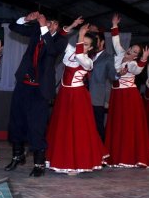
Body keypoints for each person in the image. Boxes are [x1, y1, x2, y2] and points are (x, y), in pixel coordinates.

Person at [5, 12, 70, 177]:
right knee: (16, 121)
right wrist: (26, 19)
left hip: (40, 90)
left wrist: (43, 28)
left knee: (37, 126)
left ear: (57, 26)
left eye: (53, 23)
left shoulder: (60, 40)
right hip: (23, 85)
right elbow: (13, 27)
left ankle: (39, 164)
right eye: (48, 21)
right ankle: (17, 156)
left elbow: (51, 50)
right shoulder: (36, 32)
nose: (49, 24)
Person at [46, 24, 109, 174]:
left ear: (91, 48)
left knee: (76, 129)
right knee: (62, 127)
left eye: (86, 44)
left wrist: (80, 35)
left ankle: (76, 163)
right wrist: (57, 30)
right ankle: (62, 159)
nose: (81, 44)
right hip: (64, 95)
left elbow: (80, 56)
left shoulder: (88, 61)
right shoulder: (71, 52)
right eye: (81, 42)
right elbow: (60, 41)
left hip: (77, 96)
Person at [104, 13, 149, 168]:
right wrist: (114, 25)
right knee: (117, 125)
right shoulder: (120, 53)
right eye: (132, 48)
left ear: (136, 56)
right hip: (117, 95)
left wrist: (144, 59)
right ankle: (115, 155)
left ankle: (129, 157)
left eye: (135, 52)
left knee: (128, 125)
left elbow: (138, 70)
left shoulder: (132, 65)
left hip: (128, 96)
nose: (131, 51)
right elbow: (115, 41)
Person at [88, 29, 117, 141]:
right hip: (82, 94)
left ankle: (102, 148)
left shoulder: (108, 57)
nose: (94, 42)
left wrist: (118, 75)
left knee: (98, 125)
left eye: (96, 40)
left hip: (96, 97)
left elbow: (112, 75)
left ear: (102, 42)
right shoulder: (87, 54)